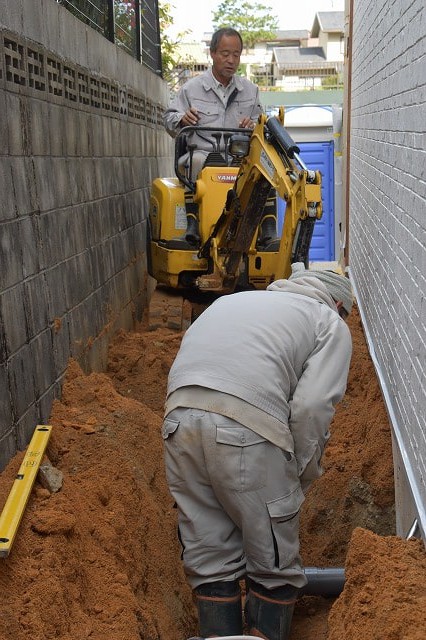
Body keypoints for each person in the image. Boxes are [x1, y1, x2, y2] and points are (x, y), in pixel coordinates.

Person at [161, 262, 354, 640]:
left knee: (210, 555)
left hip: (177, 424)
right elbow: (311, 408)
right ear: (337, 303)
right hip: (247, 429)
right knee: (274, 562)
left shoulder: (233, 303)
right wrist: (297, 471)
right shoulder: (328, 322)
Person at [163, 27, 278, 249]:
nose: (231, 60)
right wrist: (182, 119)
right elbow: (168, 119)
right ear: (213, 53)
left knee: (267, 165)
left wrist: (253, 126)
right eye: (225, 54)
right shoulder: (191, 89)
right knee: (194, 161)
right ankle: (193, 224)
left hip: (240, 158)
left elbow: (261, 125)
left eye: (236, 55)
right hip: (204, 156)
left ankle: (268, 229)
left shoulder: (251, 91)